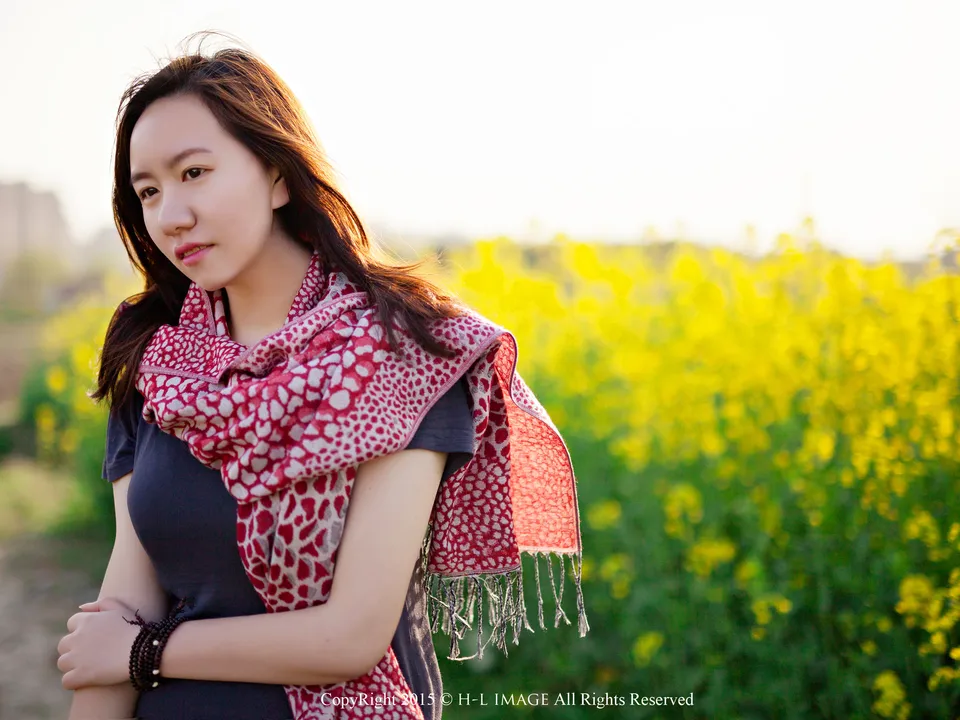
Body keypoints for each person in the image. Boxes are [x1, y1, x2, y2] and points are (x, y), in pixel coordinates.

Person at [56, 31, 588, 720]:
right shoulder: (158, 359)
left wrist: (146, 653)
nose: (171, 216)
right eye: (148, 192)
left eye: (195, 174)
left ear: (278, 174)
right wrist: (122, 657)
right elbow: (124, 606)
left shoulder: (401, 351)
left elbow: (350, 636)